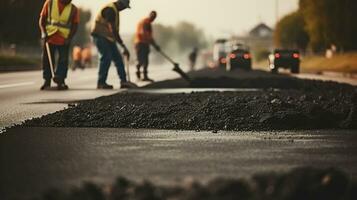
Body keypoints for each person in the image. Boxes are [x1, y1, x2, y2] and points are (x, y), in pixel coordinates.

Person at [91, 0, 134, 89]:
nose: (124, 9)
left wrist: (122, 45)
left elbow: (113, 31)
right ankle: (101, 83)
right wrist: (123, 45)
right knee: (106, 58)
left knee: (118, 58)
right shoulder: (110, 10)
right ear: (120, 3)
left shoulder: (114, 10)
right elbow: (113, 29)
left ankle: (123, 81)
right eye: (124, 7)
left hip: (108, 38)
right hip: (100, 36)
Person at [39, 0, 79, 90]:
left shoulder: (73, 9)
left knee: (63, 60)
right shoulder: (49, 3)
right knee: (47, 59)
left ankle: (60, 80)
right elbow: (42, 19)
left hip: (64, 39)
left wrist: (69, 38)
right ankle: (47, 80)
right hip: (50, 36)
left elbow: (75, 25)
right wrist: (43, 33)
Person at [134, 11, 161, 82]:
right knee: (141, 60)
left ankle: (144, 76)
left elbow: (148, 35)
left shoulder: (146, 22)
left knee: (144, 60)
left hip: (143, 43)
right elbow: (146, 35)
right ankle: (139, 74)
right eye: (152, 16)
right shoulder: (146, 23)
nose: (153, 18)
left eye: (154, 17)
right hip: (141, 43)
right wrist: (155, 45)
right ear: (150, 15)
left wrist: (154, 45)